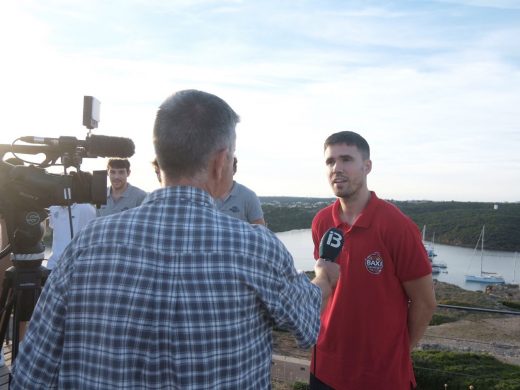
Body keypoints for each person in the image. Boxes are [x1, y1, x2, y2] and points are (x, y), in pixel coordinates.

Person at [11, 89, 340, 389]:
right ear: (220, 161)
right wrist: (324, 276)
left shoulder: (86, 244)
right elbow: (307, 323)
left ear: (160, 158)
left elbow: (32, 374)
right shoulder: (254, 247)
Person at [310, 131, 436, 390]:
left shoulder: (397, 226)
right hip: (325, 368)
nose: (337, 168)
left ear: (367, 166)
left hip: (381, 377)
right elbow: (327, 289)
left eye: (346, 159)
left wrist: (396, 351)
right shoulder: (322, 222)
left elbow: (424, 302)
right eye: (330, 162)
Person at [46, 203, 96, 270]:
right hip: (53, 264)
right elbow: (55, 228)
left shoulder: (86, 208)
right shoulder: (53, 207)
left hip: (76, 266)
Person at [216, 157, 265, 224]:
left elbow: (260, 229)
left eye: (226, 168)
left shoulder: (249, 196)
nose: (221, 171)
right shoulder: (204, 194)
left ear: (234, 170)